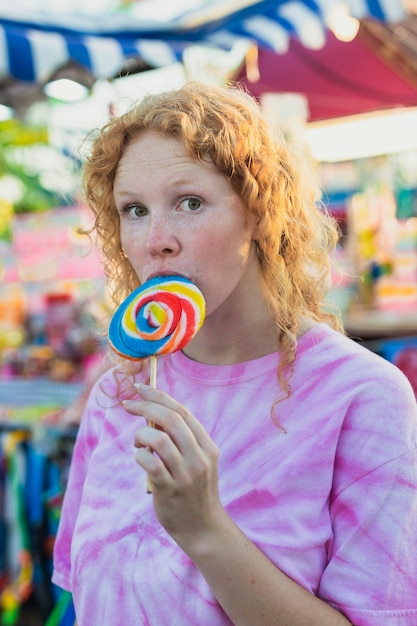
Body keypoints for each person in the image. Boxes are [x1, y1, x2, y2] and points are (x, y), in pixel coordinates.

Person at [52, 81, 417, 626]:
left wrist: (205, 530)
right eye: (133, 210)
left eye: (190, 202)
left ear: (260, 212)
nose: (156, 240)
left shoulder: (362, 397)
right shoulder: (119, 393)